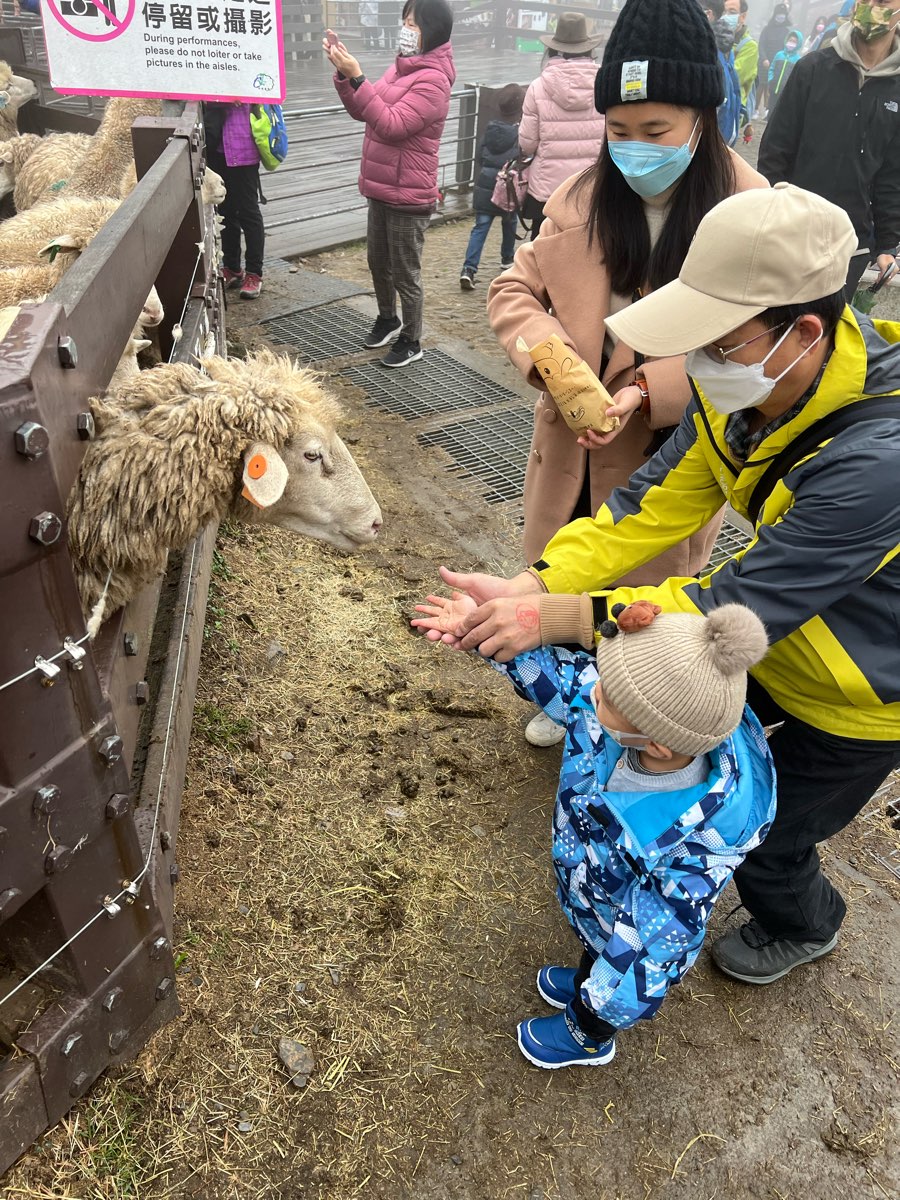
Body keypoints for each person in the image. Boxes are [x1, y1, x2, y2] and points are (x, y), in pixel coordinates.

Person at [415, 183, 900, 988]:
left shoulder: (877, 462)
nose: (698, 362)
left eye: (718, 340)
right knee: (681, 768)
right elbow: (640, 513)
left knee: (770, 837)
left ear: (802, 332)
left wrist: (553, 619)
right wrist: (527, 582)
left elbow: (722, 607)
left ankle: (805, 922)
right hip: (762, 650)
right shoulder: (741, 398)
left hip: (861, 690)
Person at [487, 0, 767, 748]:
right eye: (619, 131)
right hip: (573, 440)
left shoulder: (748, 213)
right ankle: (564, 692)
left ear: (703, 119)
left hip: (661, 452)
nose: (633, 149)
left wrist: (651, 389)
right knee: (562, 559)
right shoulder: (582, 195)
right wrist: (555, 362)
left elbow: (756, 345)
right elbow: (514, 291)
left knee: (644, 591)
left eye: (655, 132)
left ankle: (632, 708)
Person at [413, 599, 775, 1068]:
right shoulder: (623, 712)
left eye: (607, 693)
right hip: (592, 896)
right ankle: (590, 971)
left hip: (625, 938)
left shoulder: (693, 848)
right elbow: (566, 679)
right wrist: (479, 631)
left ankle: (586, 1033)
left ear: (658, 745)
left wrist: (606, 995)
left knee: (609, 970)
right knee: (596, 948)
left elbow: (649, 950)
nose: (593, 688)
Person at [324, 0, 455, 368]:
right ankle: (387, 318)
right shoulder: (400, 68)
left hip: (409, 192)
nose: (405, 29)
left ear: (432, 30)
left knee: (405, 272)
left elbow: (392, 124)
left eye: (412, 24)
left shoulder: (433, 80)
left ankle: (412, 339)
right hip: (381, 185)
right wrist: (346, 76)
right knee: (377, 261)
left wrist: (360, 78)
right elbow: (364, 110)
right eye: (404, 21)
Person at [758, 0, 900, 298]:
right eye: (866, 0)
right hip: (791, 237)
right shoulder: (812, 69)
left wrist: (887, 245)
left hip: (852, 247)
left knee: (825, 336)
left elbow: (891, 175)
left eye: (883, 1)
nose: (872, 6)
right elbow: (775, 153)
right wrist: (770, 218)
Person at [516, 12, 606, 240]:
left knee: (541, 255)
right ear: (588, 49)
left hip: (547, 190)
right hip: (591, 187)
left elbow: (527, 144)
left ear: (554, 49)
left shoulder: (538, 87)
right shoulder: (604, 83)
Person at [459, 84, 524, 290]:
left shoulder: (491, 129)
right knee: (510, 221)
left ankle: (468, 269)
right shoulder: (519, 133)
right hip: (507, 188)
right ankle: (507, 259)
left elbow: (479, 157)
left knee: (480, 227)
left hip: (486, 183)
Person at [203, 103, 265, 300]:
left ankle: (254, 273)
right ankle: (232, 267)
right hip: (216, 146)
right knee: (225, 211)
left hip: (243, 147)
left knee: (248, 212)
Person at [704, 0, 743, 145]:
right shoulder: (706, 48)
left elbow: (734, 88)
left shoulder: (727, 49)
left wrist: (742, 112)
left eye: (732, 12)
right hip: (713, 139)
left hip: (725, 135)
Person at [755, 2, 790, 117]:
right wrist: (764, 58)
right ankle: (755, 109)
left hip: (778, 63)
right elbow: (761, 45)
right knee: (760, 84)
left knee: (771, 86)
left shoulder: (786, 32)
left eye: (783, 14)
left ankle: (767, 108)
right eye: (779, 14)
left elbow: (786, 47)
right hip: (764, 61)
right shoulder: (767, 29)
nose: (781, 17)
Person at [730, 0, 759, 137]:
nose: (726, 16)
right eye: (724, 11)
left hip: (732, 108)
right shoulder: (713, 37)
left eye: (732, 12)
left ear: (742, 16)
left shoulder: (750, 46)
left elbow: (733, 76)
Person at [766, 25, 803, 113]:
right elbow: (772, 68)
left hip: (785, 91)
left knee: (779, 111)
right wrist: (771, 79)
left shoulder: (797, 60)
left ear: (798, 44)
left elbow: (796, 77)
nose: (791, 43)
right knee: (771, 109)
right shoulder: (779, 54)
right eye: (790, 40)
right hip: (774, 87)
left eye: (794, 41)